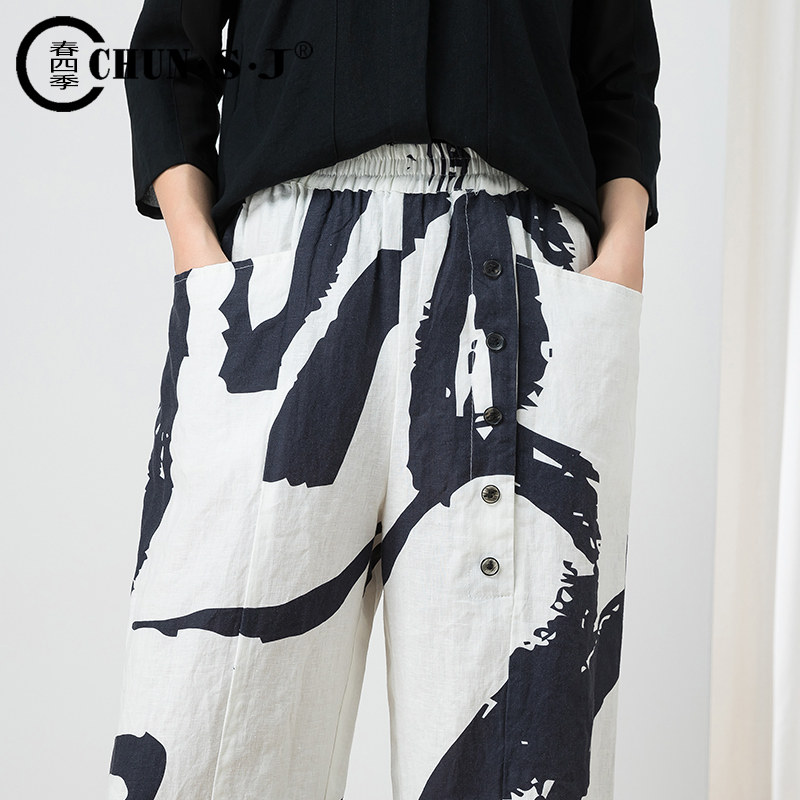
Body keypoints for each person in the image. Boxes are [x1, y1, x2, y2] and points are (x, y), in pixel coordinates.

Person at [108, 2, 661, 798]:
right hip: (288, 278)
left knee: (515, 744)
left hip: (524, 268)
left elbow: (620, 69)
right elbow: (170, 47)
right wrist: (197, 250)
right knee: (207, 724)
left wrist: (622, 246)